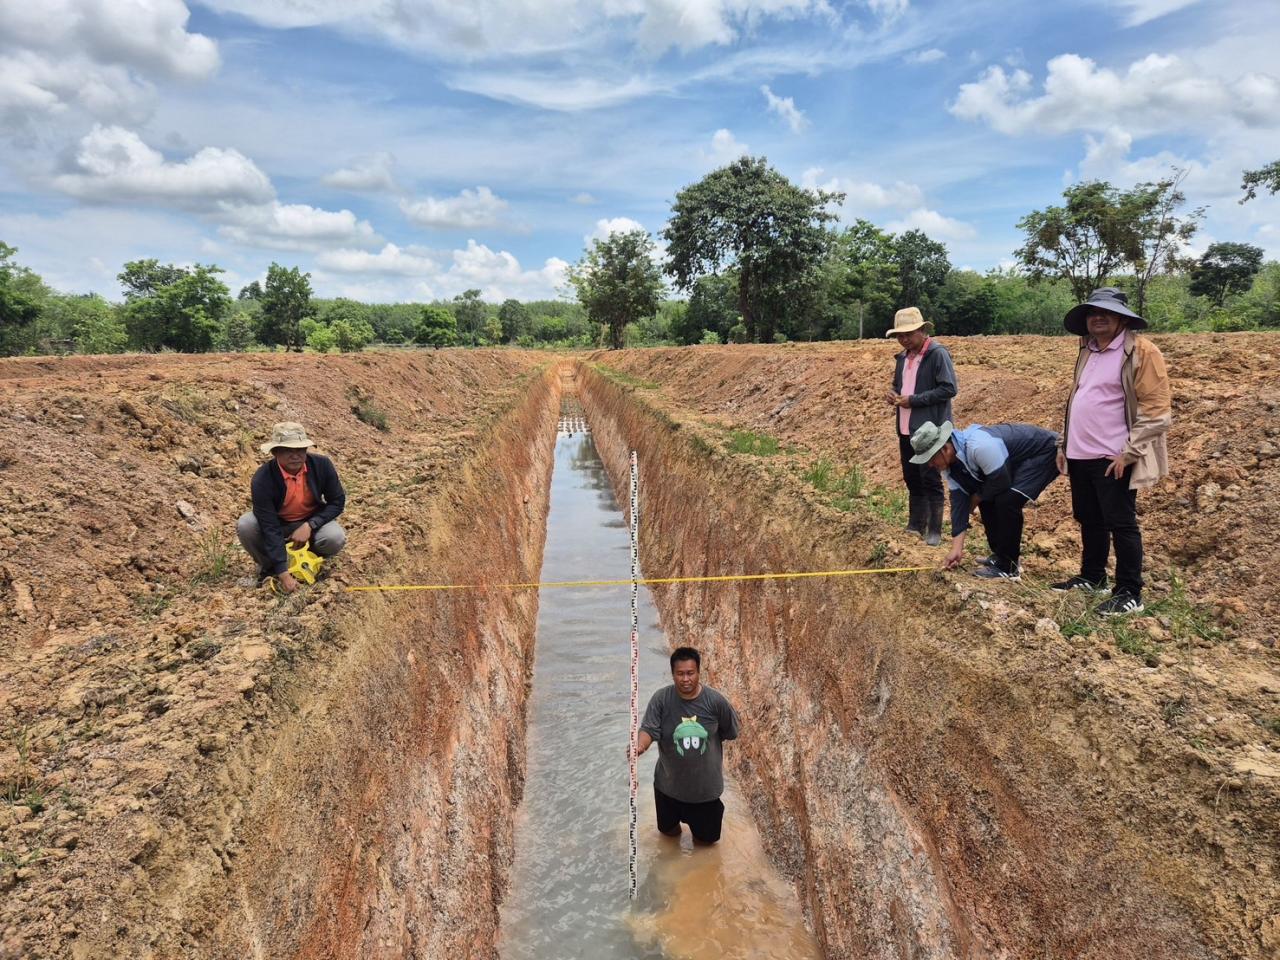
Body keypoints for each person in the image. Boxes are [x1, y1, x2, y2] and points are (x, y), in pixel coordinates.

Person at [1053, 288, 1171, 616]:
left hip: (1112, 456)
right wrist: (1064, 444)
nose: (1098, 318)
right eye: (1093, 312)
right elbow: (1077, 399)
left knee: (1121, 523)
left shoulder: (1141, 351)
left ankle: (1130, 592)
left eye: (1106, 312)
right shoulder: (1087, 349)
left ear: (1122, 318)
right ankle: (1093, 577)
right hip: (1080, 453)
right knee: (1089, 519)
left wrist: (1129, 452)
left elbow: (1157, 410)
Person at [910, 419, 1060, 581]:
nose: (930, 465)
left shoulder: (979, 446)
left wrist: (976, 497)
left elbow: (1001, 481)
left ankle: (1008, 566)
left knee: (1007, 500)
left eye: (931, 459)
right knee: (988, 497)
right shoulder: (951, 467)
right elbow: (959, 504)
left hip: (1044, 452)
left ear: (945, 449)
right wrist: (956, 549)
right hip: (1010, 464)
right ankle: (1001, 556)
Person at [635, 647, 740, 845]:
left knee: (705, 847)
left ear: (699, 672)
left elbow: (731, 732)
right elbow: (648, 729)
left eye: (690, 673)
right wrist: (640, 746)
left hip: (705, 794)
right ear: (672, 674)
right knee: (668, 837)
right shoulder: (661, 699)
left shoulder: (716, 702)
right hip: (667, 789)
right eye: (680, 673)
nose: (685, 679)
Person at [236, 422, 346, 593]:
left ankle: (311, 561)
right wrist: (283, 574)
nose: (295, 456)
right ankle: (271, 568)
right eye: (288, 450)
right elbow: (270, 526)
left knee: (335, 537)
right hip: (279, 524)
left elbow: (337, 501)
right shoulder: (262, 479)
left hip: (310, 521)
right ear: (275, 452)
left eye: (300, 450)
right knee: (246, 525)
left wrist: (310, 525)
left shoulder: (322, 465)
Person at [884, 307, 957, 546]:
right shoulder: (903, 358)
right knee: (912, 477)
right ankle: (916, 524)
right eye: (900, 335)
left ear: (922, 331)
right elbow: (898, 385)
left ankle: (934, 529)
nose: (904, 339)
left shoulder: (937, 354)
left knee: (930, 478)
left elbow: (949, 388)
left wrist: (913, 400)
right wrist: (893, 394)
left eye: (908, 334)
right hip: (906, 428)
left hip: (929, 431)